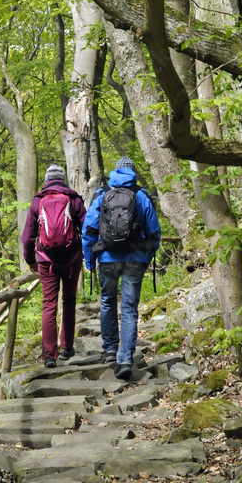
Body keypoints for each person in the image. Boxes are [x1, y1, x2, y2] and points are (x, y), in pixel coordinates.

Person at [82, 157, 161, 380]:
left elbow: (88, 230)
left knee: (107, 301)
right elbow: (154, 232)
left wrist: (89, 261)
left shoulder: (101, 194)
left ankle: (109, 351)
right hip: (135, 258)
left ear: (115, 172)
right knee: (128, 308)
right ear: (133, 172)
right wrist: (147, 256)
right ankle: (125, 358)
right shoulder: (142, 195)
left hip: (106, 258)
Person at [22, 164, 87, 368]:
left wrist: (30, 259)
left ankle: (50, 355)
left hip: (45, 259)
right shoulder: (73, 198)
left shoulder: (38, 201)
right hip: (72, 259)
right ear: (63, 179)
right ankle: (67, 348)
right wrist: (85, 253)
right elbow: (87, 227)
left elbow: (27, 237)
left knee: (49, 305)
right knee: (69, 301)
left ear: (46, 180)